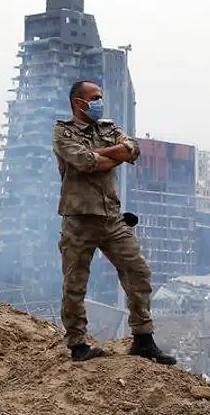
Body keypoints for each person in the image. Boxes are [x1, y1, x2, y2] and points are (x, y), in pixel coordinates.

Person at [52, 80, 174, 365]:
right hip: (79, 220)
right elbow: (85, 162)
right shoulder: (63, 132)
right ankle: (77, 344)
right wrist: (112, 155)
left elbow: (133, 150)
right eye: (94, 97)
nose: (99, 102)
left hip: (112, 218)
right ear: (77, 102)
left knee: (138, 270)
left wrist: (104, 155)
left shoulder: (108, 128)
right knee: (75, 285)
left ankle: (143, 338)